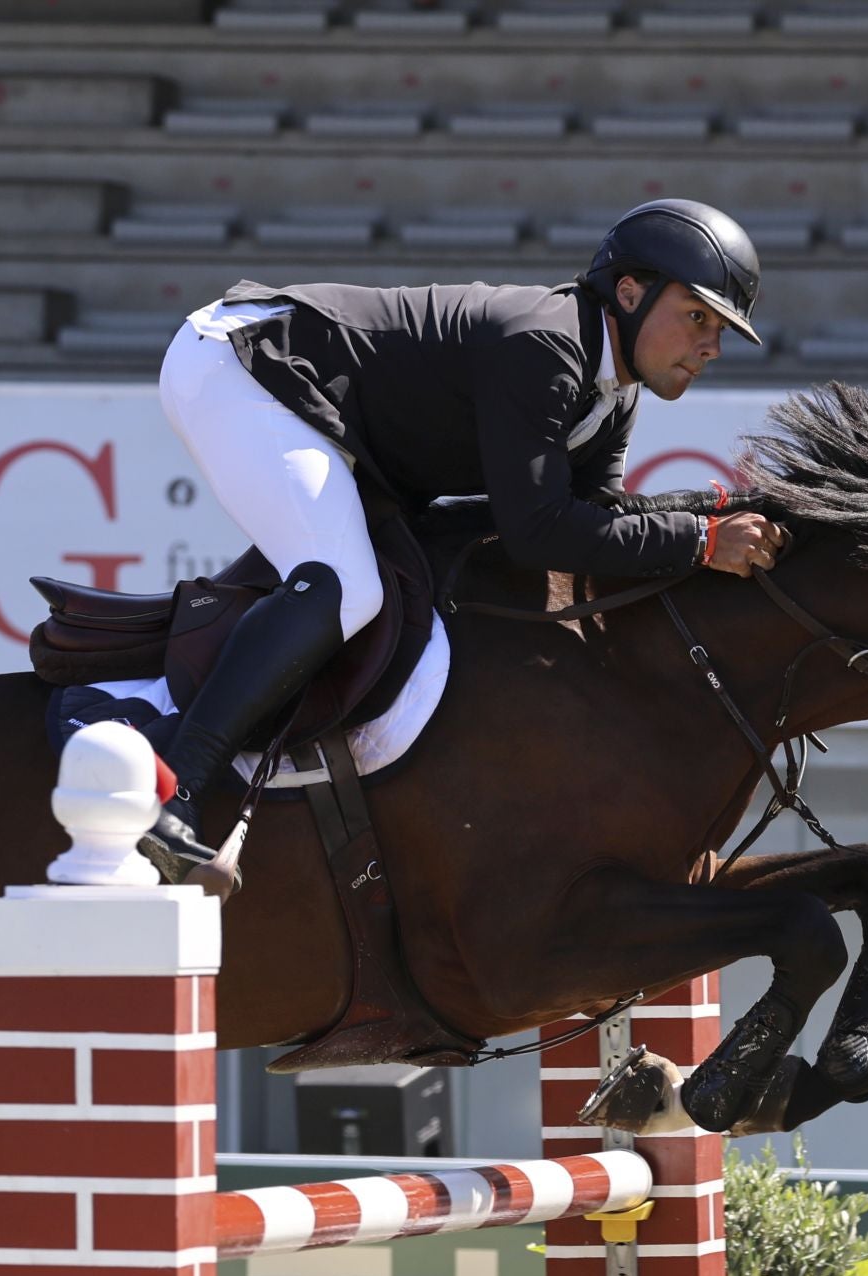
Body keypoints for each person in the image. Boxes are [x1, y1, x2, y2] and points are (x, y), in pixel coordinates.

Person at [144, 197, 787, 883]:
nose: (712, 345)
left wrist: (710, 521)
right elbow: (539, 530)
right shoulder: (548, 346)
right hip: (245, 364)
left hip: (328, 408)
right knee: (346, 586)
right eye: (698, 318)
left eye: (720, 328)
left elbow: (597, 525)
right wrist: (699, 540)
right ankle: (172, 790)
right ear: (629, 292)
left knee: (369, 578)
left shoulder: (613, 395)